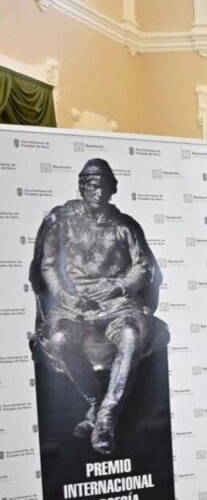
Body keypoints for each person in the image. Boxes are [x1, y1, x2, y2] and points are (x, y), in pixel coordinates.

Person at [29, 158, 168, 456]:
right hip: (74, 305)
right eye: (91, 185)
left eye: (103, 186)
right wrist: (63, 295)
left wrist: (119, 287)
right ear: (82, 187)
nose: (97, 192)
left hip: (118, 304)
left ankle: (105, 419)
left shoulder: (125, 226)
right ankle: (95, 400)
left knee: (130, 336)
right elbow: (49, 265)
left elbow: (142, 267)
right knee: (59, 340)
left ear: (112, 189)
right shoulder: (62, 221)